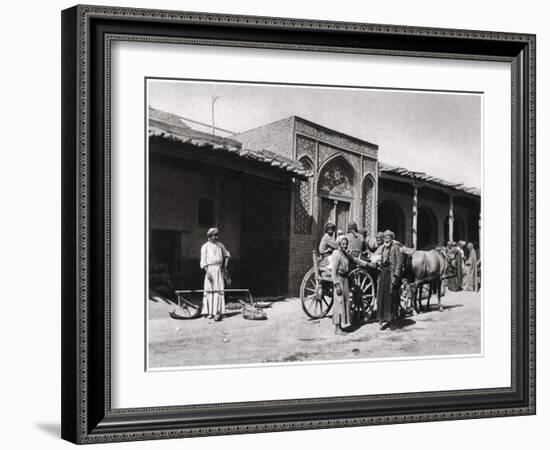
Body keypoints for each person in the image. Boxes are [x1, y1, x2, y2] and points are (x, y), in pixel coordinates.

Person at [200, 227, 230, 321]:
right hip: (210, 269)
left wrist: (224, 267)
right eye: (215, 235)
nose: (217, 237)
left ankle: (219, 311)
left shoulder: (220, 245)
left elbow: (227, 254)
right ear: (210, 236)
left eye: (217, 235)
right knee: (210, 290)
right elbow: (203, 261)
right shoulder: (205, 246)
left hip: (218, 270)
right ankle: (209, 312)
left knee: (219, 289)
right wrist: (207, 272)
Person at [376, 229, 402, 330]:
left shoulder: (396, 248)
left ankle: (392, 321)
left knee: (392, 298)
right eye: (385, 238)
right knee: (382, 296)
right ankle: (382, 319)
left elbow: (399, 263)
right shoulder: (382, 249)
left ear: (392, 239)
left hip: (391, 275)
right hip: (384, 274)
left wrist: (396, 276)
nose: (387, 240)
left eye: (389, 238)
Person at [331, 236, 353, 335]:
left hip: (345, 280)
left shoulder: (345, 255)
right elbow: (334, 272)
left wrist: (368, 264)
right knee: (338, 303)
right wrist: (336, 284)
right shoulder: (336, 254)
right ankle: (337, 328)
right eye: (343, 244)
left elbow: (355, 260)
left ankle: (340, 326)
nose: (345, 246)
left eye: (346, 244)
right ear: (339, 244)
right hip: (339, 280)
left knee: (344, 303)